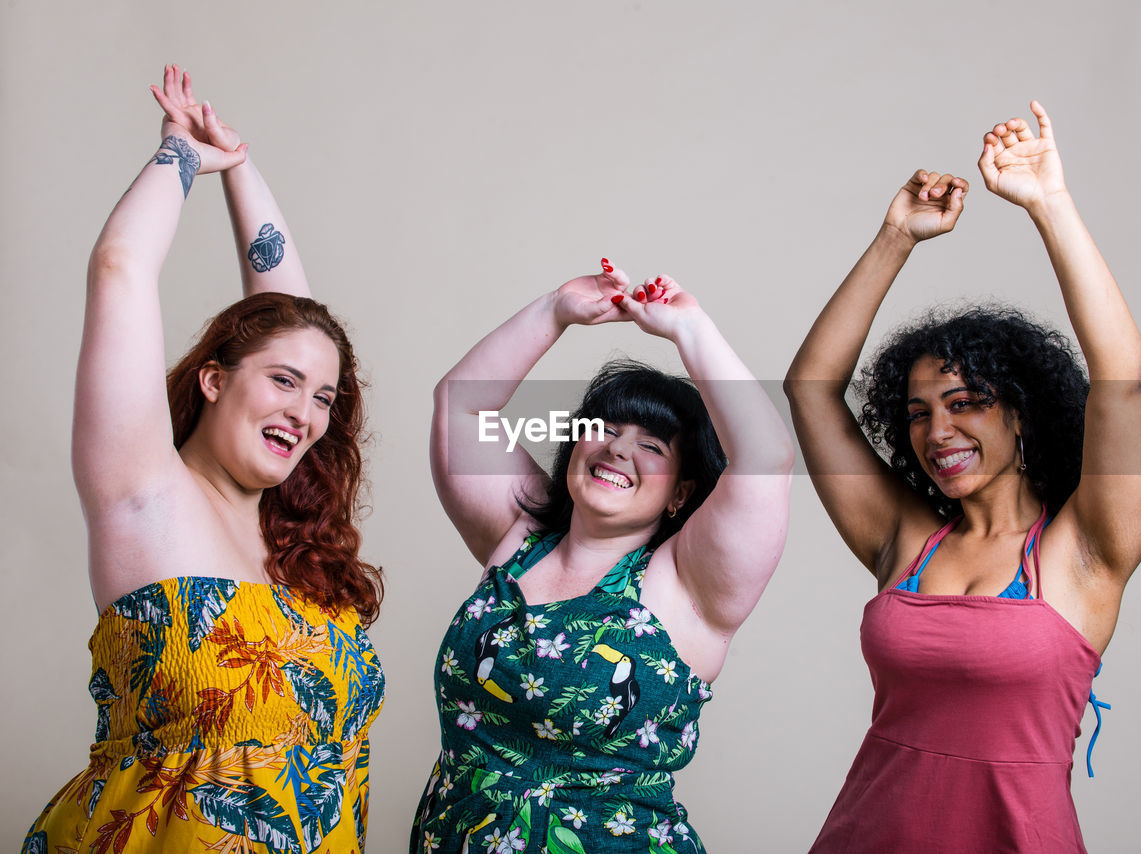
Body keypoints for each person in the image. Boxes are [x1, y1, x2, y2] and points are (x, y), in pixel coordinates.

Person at [23, 67, 385, 854]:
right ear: (215, 381)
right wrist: (183, 155)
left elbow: (295, 324)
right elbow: (120, 270)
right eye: (283, 383)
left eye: (324, 398)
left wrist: (242, 166)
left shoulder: (298, 546)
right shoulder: (143, 493)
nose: (305, 411)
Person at [785, 102, 1141, 852]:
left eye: (966, 405)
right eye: (918, 413)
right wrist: (897, 237)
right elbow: (810, 390)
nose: (937, 432)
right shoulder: (904, 539)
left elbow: (1122, 379)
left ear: (1021, 415)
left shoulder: (1084, 551)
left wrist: (1049, 205)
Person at [411, 263, 793, 852]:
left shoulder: (683, 584)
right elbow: (459, 406)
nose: (617, 448)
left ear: (683, 493)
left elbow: (765, 457)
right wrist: (555, 311)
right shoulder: (518, 538)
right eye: (605, 428)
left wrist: (688, 328)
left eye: (651, 445)